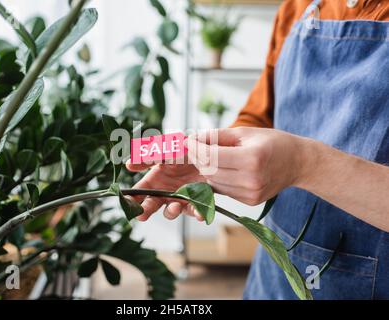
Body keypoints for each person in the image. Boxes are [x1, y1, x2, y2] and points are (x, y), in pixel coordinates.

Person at [126, 0, 389, 299]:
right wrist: (213, 160)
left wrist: (304, 164)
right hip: (275, 276)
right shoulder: (298, 8)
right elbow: (259, 116)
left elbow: (296, 157)